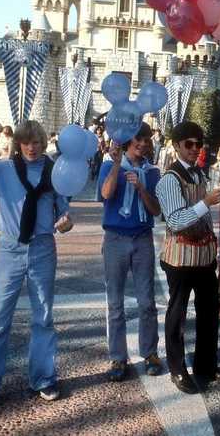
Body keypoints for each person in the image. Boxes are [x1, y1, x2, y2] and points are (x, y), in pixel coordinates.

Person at [0, 121, 73, 418]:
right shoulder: (3, 169)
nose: (32, 147)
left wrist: (66, 221)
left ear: (44, 143)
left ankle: (43, 379)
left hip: (43, 248)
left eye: (37, 142)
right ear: (18, 143)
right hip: (10, 249)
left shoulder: (54, 171)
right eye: (26, 142)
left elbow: (63, 209)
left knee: (43, 317)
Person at [155, 121, 220, 394]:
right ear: (176, 146)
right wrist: (206, 203)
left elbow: (206, 214)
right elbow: (176, 220)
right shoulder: (168, 180)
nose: (194, 149)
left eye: (198, 144)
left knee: (209, 312)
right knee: (177, 313)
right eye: (189, 144)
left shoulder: (199, 175)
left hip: (203, 256)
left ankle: (206, 365)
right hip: (179, 258)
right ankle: (177, 369)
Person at [98, 122, 163, 381]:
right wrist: (115, 165)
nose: (143, 143)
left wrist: (141, 188)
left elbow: (156, 210)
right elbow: (106, 194)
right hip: (115, 238)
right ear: (128, 141)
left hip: (142, 238)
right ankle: (118, 357)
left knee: (147, 301)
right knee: (115, 303)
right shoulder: (108, 164)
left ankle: (150, 353)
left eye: (146, 139)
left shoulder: (153, 172)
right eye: (138, 138)